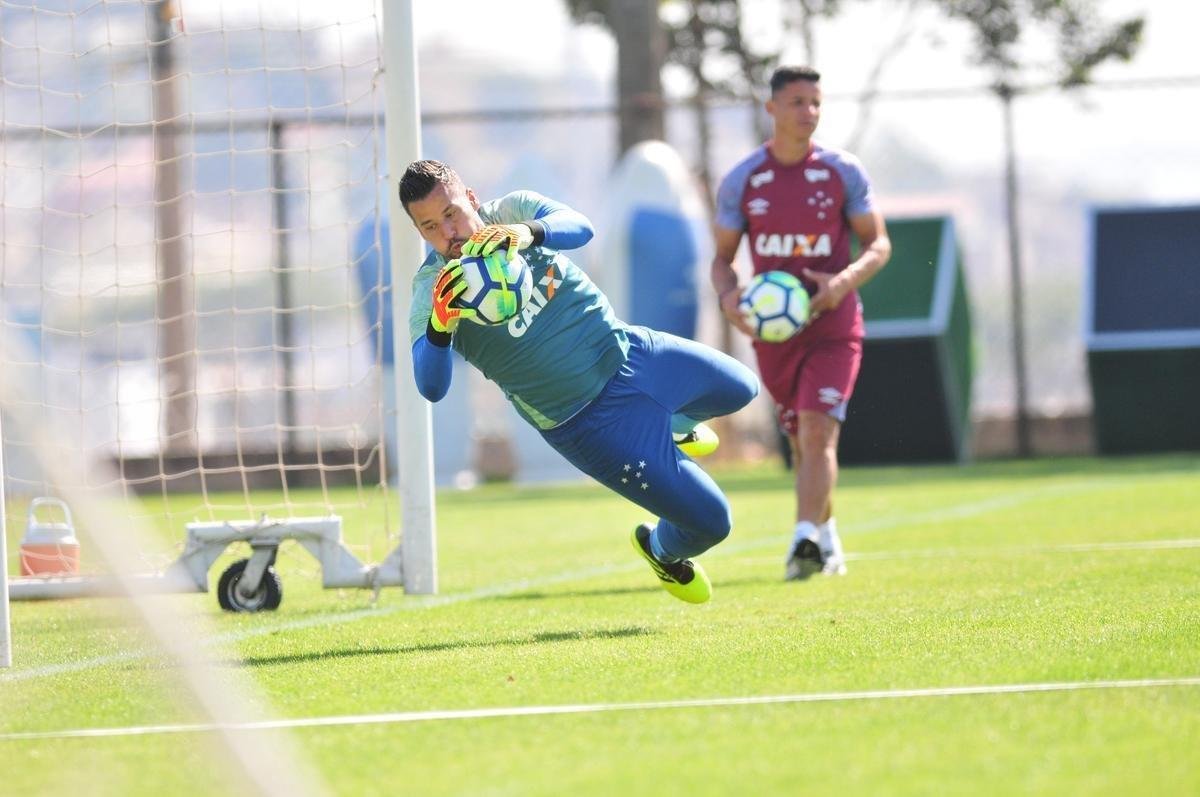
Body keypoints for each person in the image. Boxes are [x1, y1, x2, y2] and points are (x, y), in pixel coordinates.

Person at [401, 159, 759, 604]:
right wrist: (440, 326)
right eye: (430, 226)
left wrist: (527, 232)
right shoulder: (433, 289)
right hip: (591, 425)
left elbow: (580, 227)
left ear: (471, 198)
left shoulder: (512, 213)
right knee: (712, 522)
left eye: (451, 213)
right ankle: (661, 549)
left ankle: (670, 427)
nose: (448, 234)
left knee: (742, 387)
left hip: (632, 353)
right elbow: (429, 385)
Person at [711, 66, 892, 580]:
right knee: (799, 441)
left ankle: (802, 541)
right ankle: (826, 537)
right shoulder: (744, 180)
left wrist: (842, 282)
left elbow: (878, 244)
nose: (808, 112)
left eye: (815, 102)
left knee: (818, 432)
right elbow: (722, 260)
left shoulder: (842, 172)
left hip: (834, 326)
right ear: (771, 109)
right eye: (796, 102)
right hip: (775, 335)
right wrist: (728, 298)